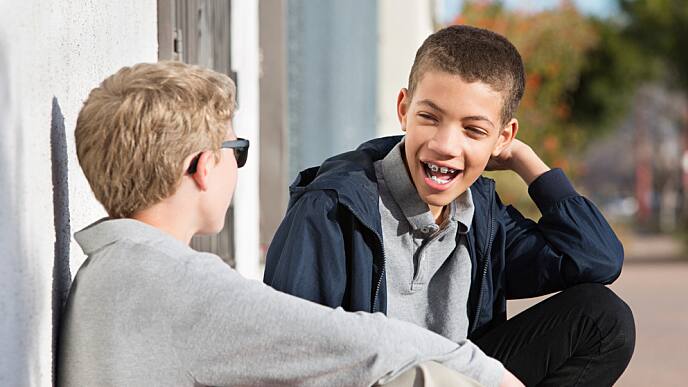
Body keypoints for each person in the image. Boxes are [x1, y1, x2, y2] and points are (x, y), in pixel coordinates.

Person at [57, 60, 516, 387]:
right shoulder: (176, 285)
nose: (238, 165)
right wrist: (486, 372)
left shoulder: (113, 270)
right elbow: (352, 342)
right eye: (235, 149)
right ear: (202, 166)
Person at [264, 25, 635, 386]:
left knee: (604, 320)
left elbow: (598, 258)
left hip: (464, 377)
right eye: (429, 117)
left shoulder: (483, 217)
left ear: (502, 137)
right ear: (404, 108)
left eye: (473, 130)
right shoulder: (333, 207)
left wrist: (526, 162)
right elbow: (289, 355)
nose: (445, 144)